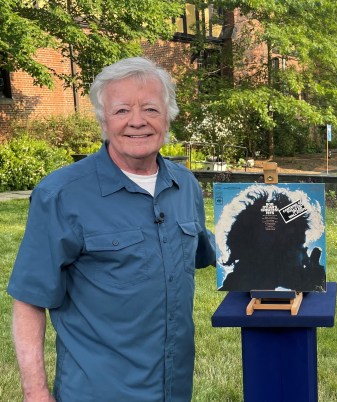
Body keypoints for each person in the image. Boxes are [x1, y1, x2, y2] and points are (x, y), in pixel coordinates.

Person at [7, 57, 215, 402]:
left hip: (175, 388)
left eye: (150, 109)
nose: (137, 121)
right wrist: (36, 393)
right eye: (121, 111)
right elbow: (29, 299)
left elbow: (209, 254)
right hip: (97, 391)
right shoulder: (61, 195)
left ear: (169, 117)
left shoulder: (186, 186)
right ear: (103, 121)